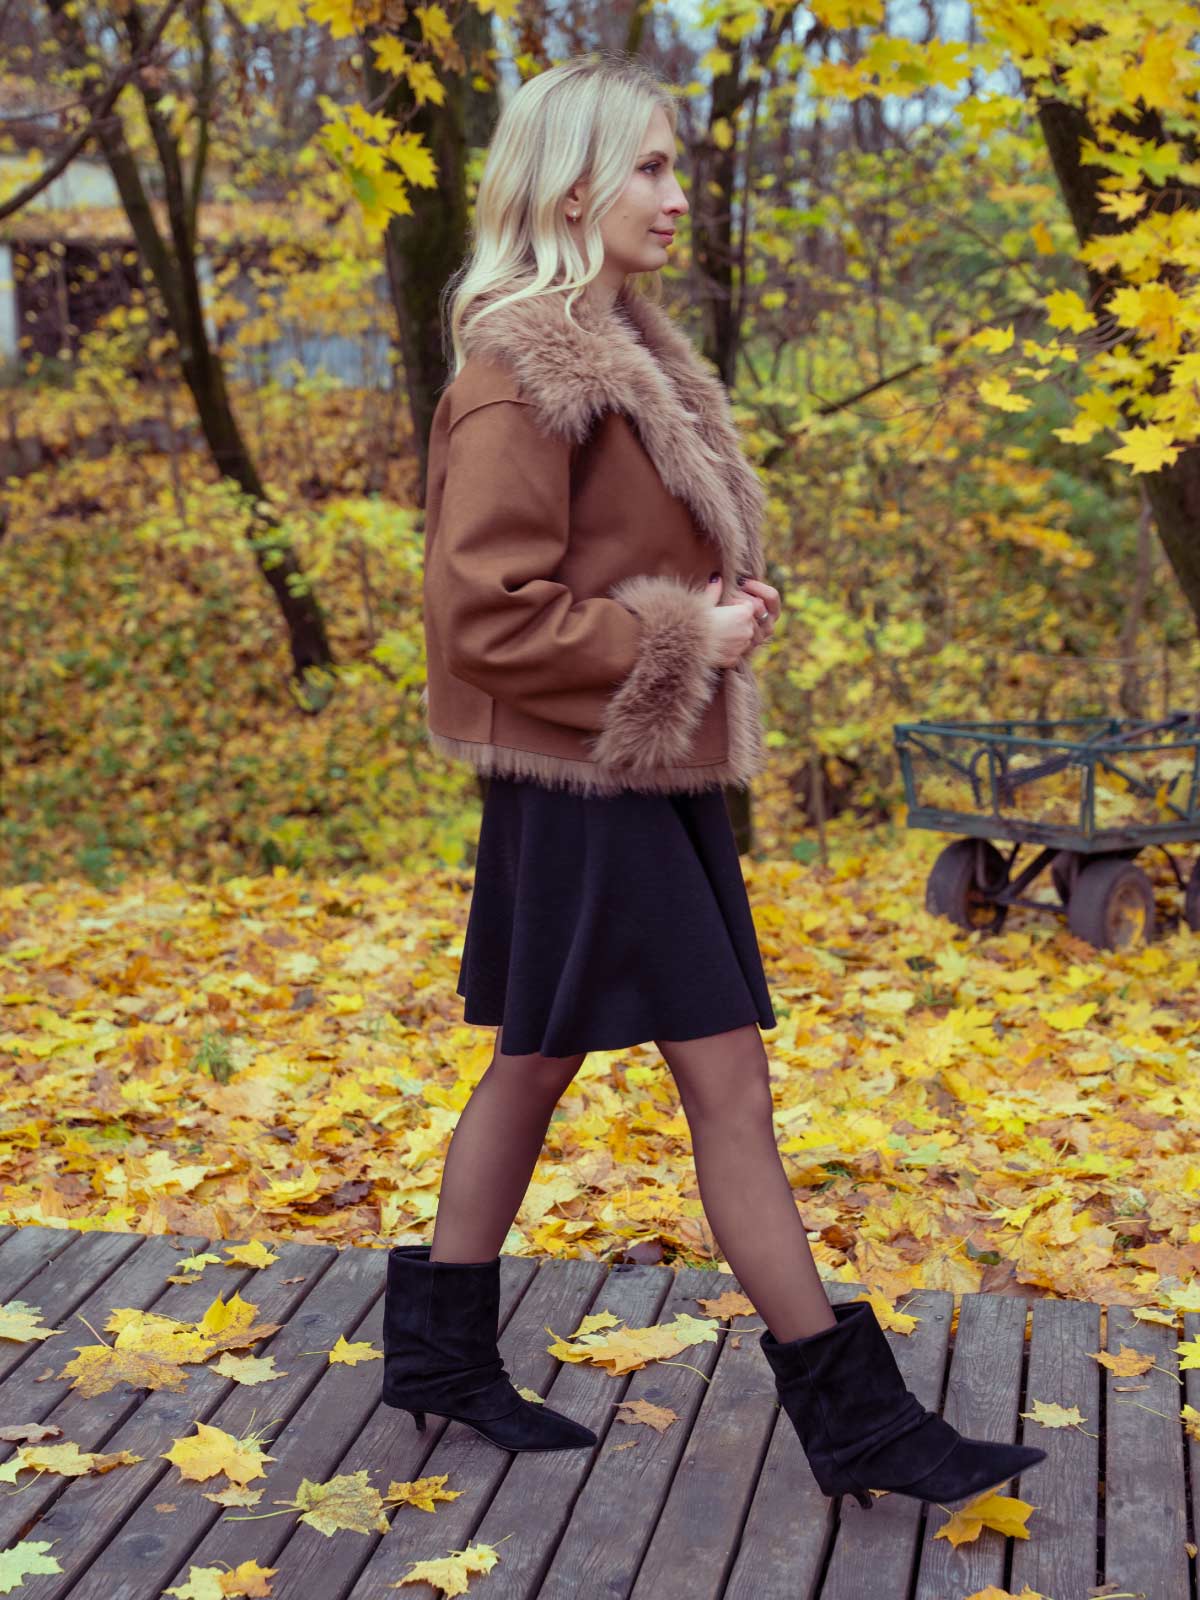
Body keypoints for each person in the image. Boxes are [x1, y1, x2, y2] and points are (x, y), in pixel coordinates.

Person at [381, 51, 1046, 1514]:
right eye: (651, 167)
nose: (677, 195)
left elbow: (608, 562)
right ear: (572, 186)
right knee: (724, 1078)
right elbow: (483, 615)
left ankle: (434, 1353)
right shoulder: (522, 372)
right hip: (584, 782)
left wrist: (720, 609)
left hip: (637, 769)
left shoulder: (623, 352)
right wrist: (684, 635)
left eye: (675, 165)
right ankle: (858, 1421)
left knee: (538, 1059)